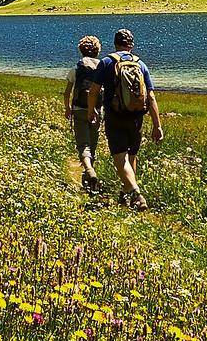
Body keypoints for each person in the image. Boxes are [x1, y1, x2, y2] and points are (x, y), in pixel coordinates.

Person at [94, 27, 163, 209]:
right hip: (137, 118)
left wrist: (91, 111)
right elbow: (151, 97)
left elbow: (94, 90)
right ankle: (125, 194)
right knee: (132, 156)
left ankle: (136, 193)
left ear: (115, 43)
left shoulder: (107, 62)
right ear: (131, 44)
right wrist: (157, 126)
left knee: (120, 158)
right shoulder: (141, 64)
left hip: (115, 116)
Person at [63, 35, 107, 193]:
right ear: (97, 50)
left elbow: (67, 92)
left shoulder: (76, 68)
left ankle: (89, 171)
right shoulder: (102, 67)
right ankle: (89, 175)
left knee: (83, 144)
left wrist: (68, 108)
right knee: (92, 144)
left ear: (81, 50)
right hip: (97, 110)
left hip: (79, 109)